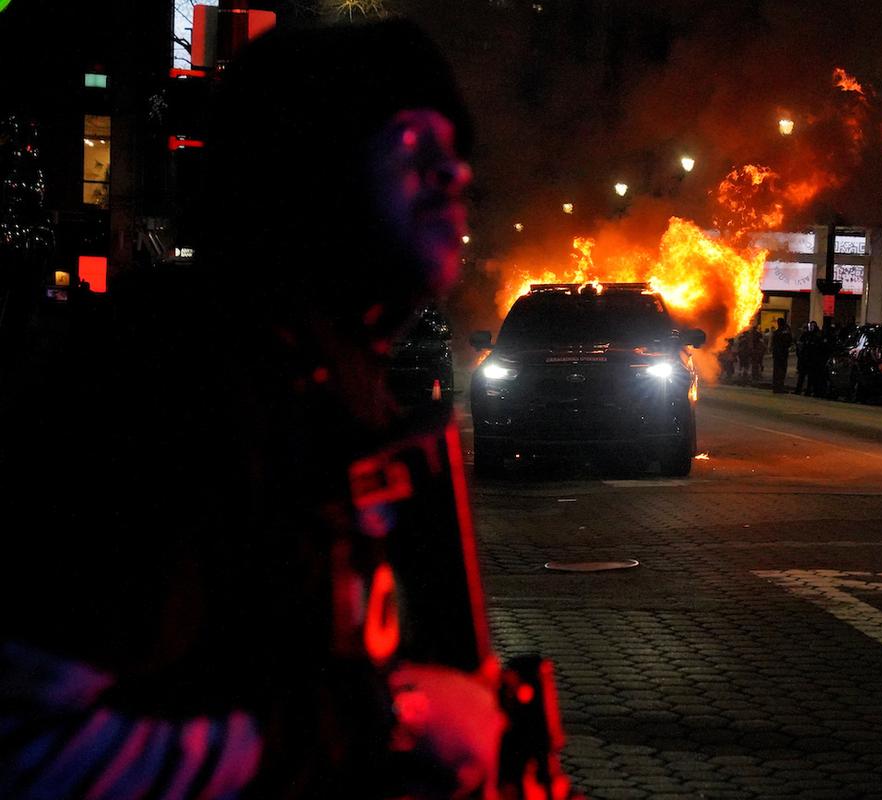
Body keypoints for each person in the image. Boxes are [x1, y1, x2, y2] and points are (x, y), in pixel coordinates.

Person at [0, 19, 512, 799]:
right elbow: (26, 747)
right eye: (412, 145)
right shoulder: (169, 381)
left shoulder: (322, 373)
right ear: (311, 165)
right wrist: (392, 726)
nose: (454, 175)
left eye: (456, 151)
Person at [794, 320, 821, 395]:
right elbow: (800, 345)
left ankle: (808, 390)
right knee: (802, 375)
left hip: (811, 359)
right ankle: (798, 390)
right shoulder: (805, 335)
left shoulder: (816, 336)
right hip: (804, 359)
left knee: (810, 376)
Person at [770, 317, 793, 393]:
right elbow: (789, 341)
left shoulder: (776, 332)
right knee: (781, 371)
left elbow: (773, 343)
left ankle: (776, 387)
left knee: (776, 371)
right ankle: (780, 387)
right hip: (782, 354)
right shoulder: (785, 332)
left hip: (776, 354)